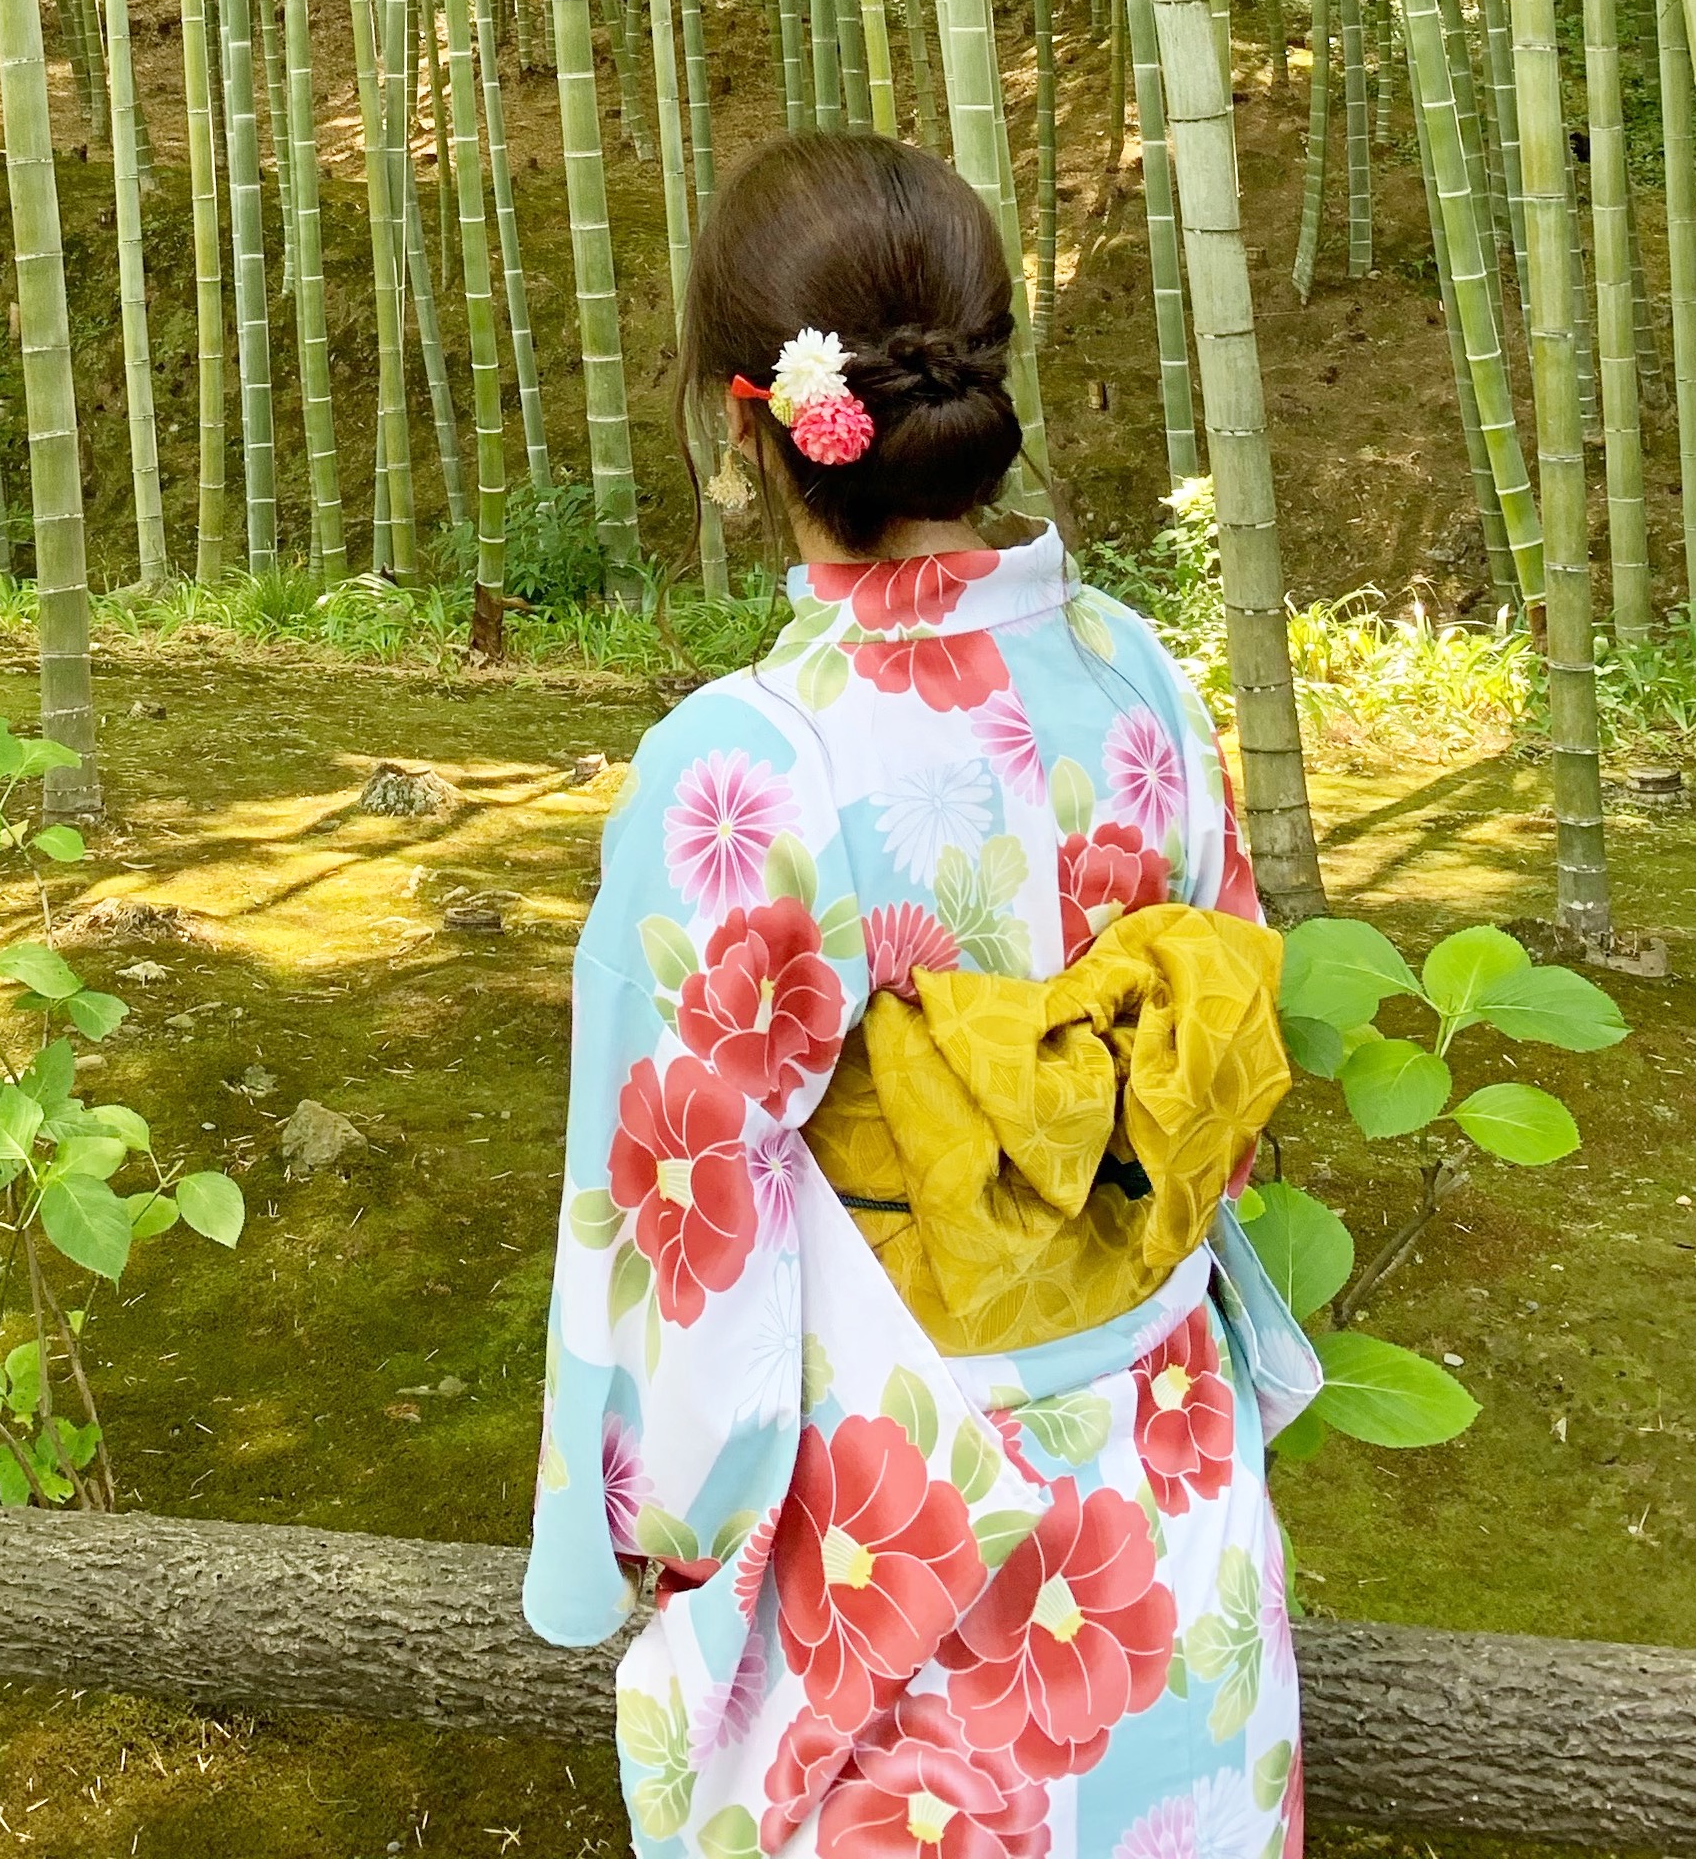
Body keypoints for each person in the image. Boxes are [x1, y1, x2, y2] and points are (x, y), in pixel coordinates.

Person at [523, 131, 1321, 1859]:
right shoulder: (1139, 681)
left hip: (916, 1562)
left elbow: (685, 1246)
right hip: (1173, 1519)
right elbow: (1220, 1118)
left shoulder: (746, 770)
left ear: (748, 426)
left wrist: (656, 1533)